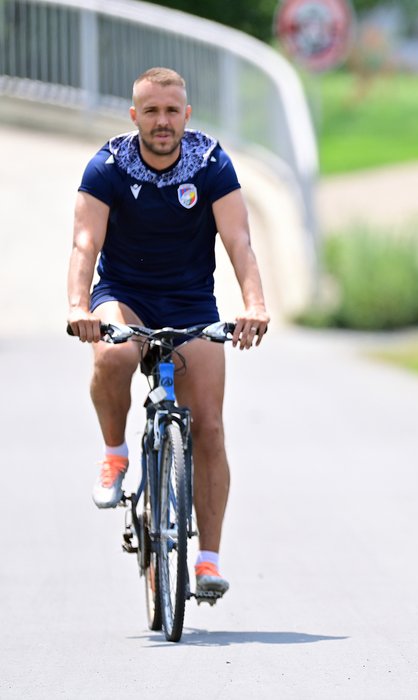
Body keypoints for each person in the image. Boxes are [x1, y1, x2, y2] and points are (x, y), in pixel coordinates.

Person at [66, 67, 270, 597]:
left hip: (190, 304)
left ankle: (206, 561)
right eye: (151, 111)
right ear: (135, 116)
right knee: (112, 356)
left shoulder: (210, 164)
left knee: (211, 428)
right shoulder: (107, 166)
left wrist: (256, 304)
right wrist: (76, 305)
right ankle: (115, 454)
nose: (162, 122)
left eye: (172, 111)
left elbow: (239, 241)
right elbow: (85, 244)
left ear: (187, 115)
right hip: (124, 299)